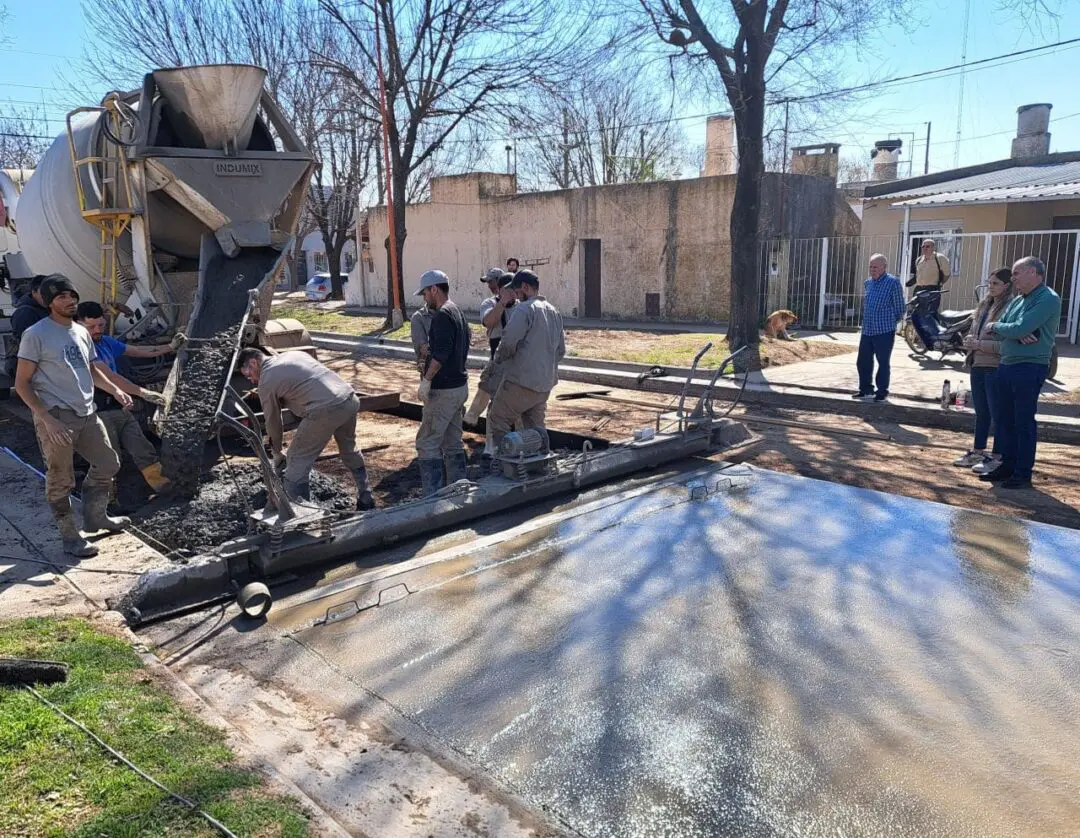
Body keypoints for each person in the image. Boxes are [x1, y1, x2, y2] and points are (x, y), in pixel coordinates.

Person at [13, 275, 133, 557]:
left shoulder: (80, 331)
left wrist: (115, 390)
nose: (69, 301)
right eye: (61, 297)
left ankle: (96, 518)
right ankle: (70, 537)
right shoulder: (36, 335)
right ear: (49, 302)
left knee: (108, 463)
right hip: (56, 415)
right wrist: (47, 419)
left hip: (86, 411)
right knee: (61, 479)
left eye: (71, 295)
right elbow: (21, 384)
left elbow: (91, 370)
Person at [237, 347, 375, 510]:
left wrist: (277, 451)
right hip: (349, 399)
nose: (252, 381)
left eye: (249, 375)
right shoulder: (294, 355)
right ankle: (366, 496)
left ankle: (302, 514)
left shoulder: (266, 380)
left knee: (296, 460)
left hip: (325, 410)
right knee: (348, 447)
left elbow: (273, 421)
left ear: (253, 363)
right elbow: (311, 384)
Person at [73, 301, 178, 493]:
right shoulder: (78, 349)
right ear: (78, 325)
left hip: (118, 406)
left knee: (142, 448)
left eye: (101, 325)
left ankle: (163, 486)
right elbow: (111, 378)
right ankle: (107, 499)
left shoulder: (105, 342)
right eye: (91, 327)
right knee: (109, 458)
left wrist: (170, 346)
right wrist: (143, 393)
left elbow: (136, 351)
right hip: (96, 411)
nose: (97, 330)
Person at [979, 256, 1062, 489]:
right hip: (1006, 364)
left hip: (1029, 366)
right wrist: (1009, 330)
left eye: (1016, 273)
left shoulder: (1047, 299)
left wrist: (1012, 330)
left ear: (1033, 273)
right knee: (1004, 420)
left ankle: (1022, 472)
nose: (1012, 278)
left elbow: (1020, 328)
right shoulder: (1018, 300)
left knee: (1023, 421)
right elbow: (997, 328)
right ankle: (1007, 465)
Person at [487, 270, 565, 450]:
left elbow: (508, 343)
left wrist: (497, 362)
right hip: (544, 384)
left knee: (498, 420)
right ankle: (540, 460)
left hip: (521, 382)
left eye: (516, 291)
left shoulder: (524, 309)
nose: (515, 295)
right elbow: (561, 351)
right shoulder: (554, 311)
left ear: (525, 287)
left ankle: (506, 461)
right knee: (536, 428)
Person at [414, 270, 470, 495]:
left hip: (444, 390)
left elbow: (440, 354)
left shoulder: (442, 316)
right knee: (453, 441)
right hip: (459, 387)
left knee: (427, 442)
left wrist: (427, 380)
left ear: (434, 289)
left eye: (425, 293)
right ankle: (459, 491)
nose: (424, 298)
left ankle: (432, 498)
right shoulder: (457, 311)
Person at [953, 268, 1014, 473]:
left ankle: (997, 456)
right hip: (977, 363)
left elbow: (1007, 344)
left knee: (997, 413)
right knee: (981, 412)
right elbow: (974, 329)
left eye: (995, 283)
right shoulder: (985, 305)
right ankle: (978, 451)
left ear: (1006, 286)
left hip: (994, 366)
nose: (991, 287)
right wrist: (970, 341)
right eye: (989, 283)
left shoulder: (1010, 307)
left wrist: (980, 344)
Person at [464, 269, 516, 429]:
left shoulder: (521, 306)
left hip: (516, 357)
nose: (490, 286)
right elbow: (488, 321)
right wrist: (502, 303)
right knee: (487, 384)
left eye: (492, 282)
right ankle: (472, 418)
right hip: (497, 353)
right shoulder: (490, 304)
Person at [853, 254, 905, 403]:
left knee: (883, 362)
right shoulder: (868, 283)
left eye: (875, 267)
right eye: (870, 266)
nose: (872, 270)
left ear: (884, 267)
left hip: (884, 330)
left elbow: (900, 308)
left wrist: (890, 322)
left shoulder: (893, 282)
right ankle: (865, 390)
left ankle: (882, 392)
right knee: (863, 361)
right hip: (867, 329)